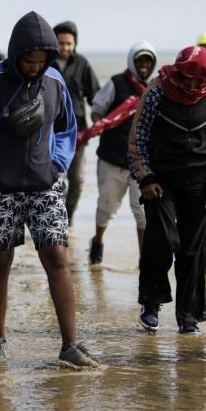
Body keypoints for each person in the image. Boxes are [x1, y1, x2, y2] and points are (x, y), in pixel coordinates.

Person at [0, 12, 97, 368]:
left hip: (45, 187)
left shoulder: (55, 82)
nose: (35, 68)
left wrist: (57, 167)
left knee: (57, 259)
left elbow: (68, 130)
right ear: (15, 53)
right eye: (29, 61)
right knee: (0, 262)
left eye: (41, 61)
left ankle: (70, 344)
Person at [128, 46, 206, 334]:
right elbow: (138, 139)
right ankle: (152, 303)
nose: (192, 86)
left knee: (193, 250)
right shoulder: (157, 92)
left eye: (198, 81)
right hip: (160, 181)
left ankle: (189, 316)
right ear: (177, 73)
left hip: (198, 183)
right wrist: (145, 178)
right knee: (161, 239)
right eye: (186, 80)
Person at [88, 42, 157, 266]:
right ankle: (98, 240)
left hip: (142, 165)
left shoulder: (156, 88)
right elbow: (97, 109)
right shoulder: (116, 83)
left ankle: (144, 259)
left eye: (148, 61)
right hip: (111, 159)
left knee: (143, 214)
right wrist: (100, 125)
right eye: (140, 60)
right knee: (106, 209)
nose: (144, 65)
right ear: (132, 61)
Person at [52, 21, 101, 230]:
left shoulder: (82, 64)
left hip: (78, 133)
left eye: (69, 44)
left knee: (78, 181)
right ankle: (56, 218)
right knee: (56, 180)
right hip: (51, 133)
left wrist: (103, 120)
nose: (64, 48)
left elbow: (96, 97)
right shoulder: (45, 63)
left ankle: (68, 215)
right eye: (61, 43)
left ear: (75, 44)